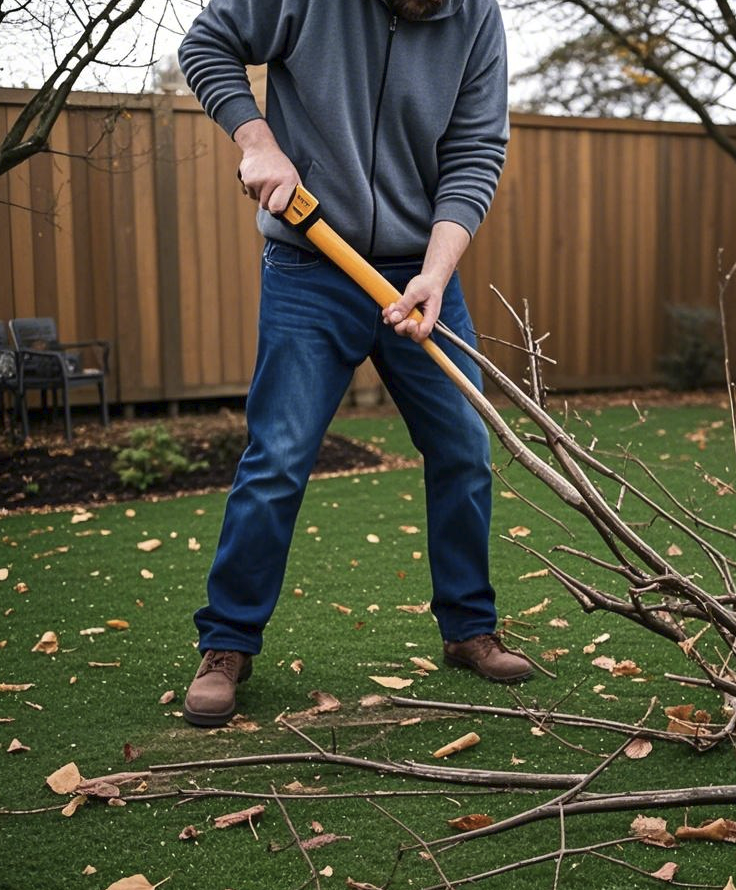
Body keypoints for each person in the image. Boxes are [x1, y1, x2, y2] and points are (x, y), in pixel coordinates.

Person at [178, 0, 532, 728]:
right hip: (308, 264)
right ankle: (228, 642)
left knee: (464, 447)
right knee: (279, 456)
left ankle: (468, 628)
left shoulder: (475, 17)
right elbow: (208, 43)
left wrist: (436, 273)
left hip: (416, 273)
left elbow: (474, 150)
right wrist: (257, 139)